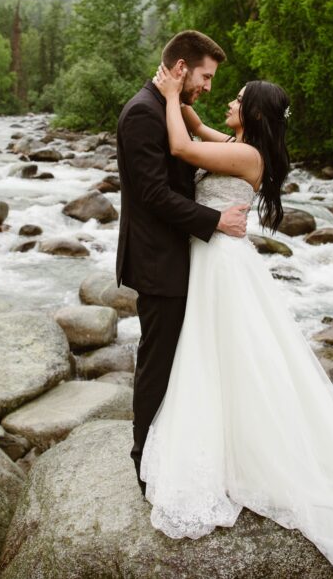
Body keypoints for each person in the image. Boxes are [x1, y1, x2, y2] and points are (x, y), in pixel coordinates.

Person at [139, 62, 333, 579]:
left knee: (222, 355)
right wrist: (180, 96)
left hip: (221, 267)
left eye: (235, 99)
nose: (226, 103)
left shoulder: (246, 154)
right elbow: (201, 130)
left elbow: (186, 149)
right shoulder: (242, 146)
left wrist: (166, 97)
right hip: (217, 261)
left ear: (252, 113)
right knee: (224, 356)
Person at [115, 30, 250, 496]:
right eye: (205, 76)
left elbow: (188, 152)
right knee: (157, 362)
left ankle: (174, 450)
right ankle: (142, 461)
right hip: (159, 262)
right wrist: (216, 221)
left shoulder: (163, 108)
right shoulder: (141, 114)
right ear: (180, 69)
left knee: (183, 360)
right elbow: (153, 195)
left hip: (180, 256)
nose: (209, 87)